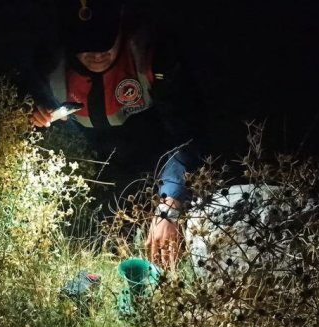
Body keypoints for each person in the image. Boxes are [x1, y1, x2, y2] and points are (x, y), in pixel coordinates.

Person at [24, 0, 209, 270]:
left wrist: (169, 205)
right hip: (94, 167)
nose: (98, 53)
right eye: (86, 44)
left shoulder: (153, 58)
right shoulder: (48, 64)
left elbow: (186, 135)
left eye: (106, 41)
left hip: (156, 159)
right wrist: (32, 111)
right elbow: (17, 98)